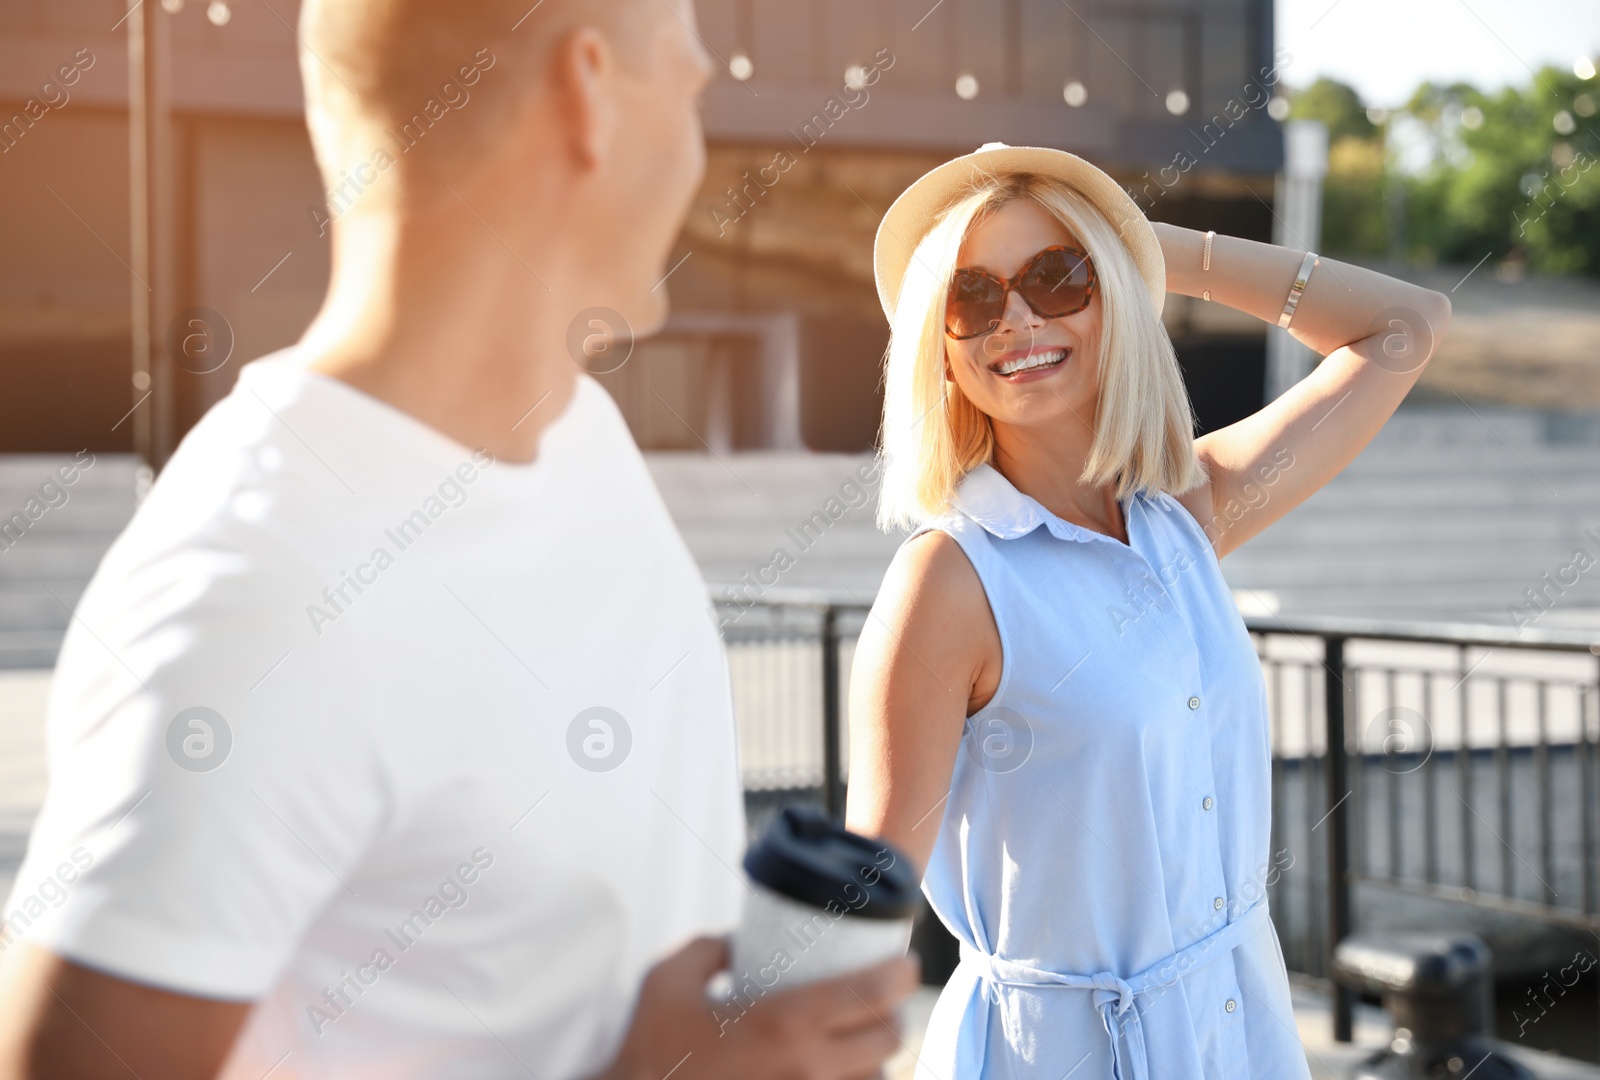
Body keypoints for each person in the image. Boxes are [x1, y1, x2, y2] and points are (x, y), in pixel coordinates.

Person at [0, 1, 917, 1077]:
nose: (700, 150)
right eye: (691, 88)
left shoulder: (578, 431)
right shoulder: (252, 592)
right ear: (586, 92)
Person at [844, 142, 1451, 1078]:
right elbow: (859, 906)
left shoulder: (1184, 518)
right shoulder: (949, 582)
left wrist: (1151, 245)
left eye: (1058, 277)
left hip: (1237, 1033)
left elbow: (1405, 325)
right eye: (973, 297)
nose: (1015, 319)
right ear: (943, 343)